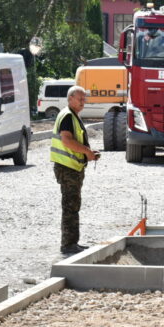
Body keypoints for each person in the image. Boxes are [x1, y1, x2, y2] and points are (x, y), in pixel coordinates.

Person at [51, 86, 100, 255]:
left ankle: (73, 243)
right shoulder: (67, 116)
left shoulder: (72, 116)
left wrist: (88, 153)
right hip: (67, 168)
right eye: (80, 98)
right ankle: (68, 245)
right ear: (70, 98)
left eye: (84, 99)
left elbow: (74, 142)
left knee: (73, 205)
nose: (83, 102)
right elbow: (67, 141)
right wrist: (87, 152)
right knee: (70, 206)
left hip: (72, 167)